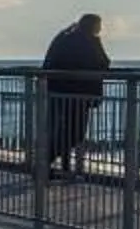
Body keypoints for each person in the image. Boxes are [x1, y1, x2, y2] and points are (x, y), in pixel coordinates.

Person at [39, 12, 111, 176]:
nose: (100, 29)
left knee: (63, 129)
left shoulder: (64, 37)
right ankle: (44, 163)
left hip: (58, 90)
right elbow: (102, 63)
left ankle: (56, 166)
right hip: (79, 93)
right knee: (75, 133)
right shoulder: (88, 41)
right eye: (98, 25)